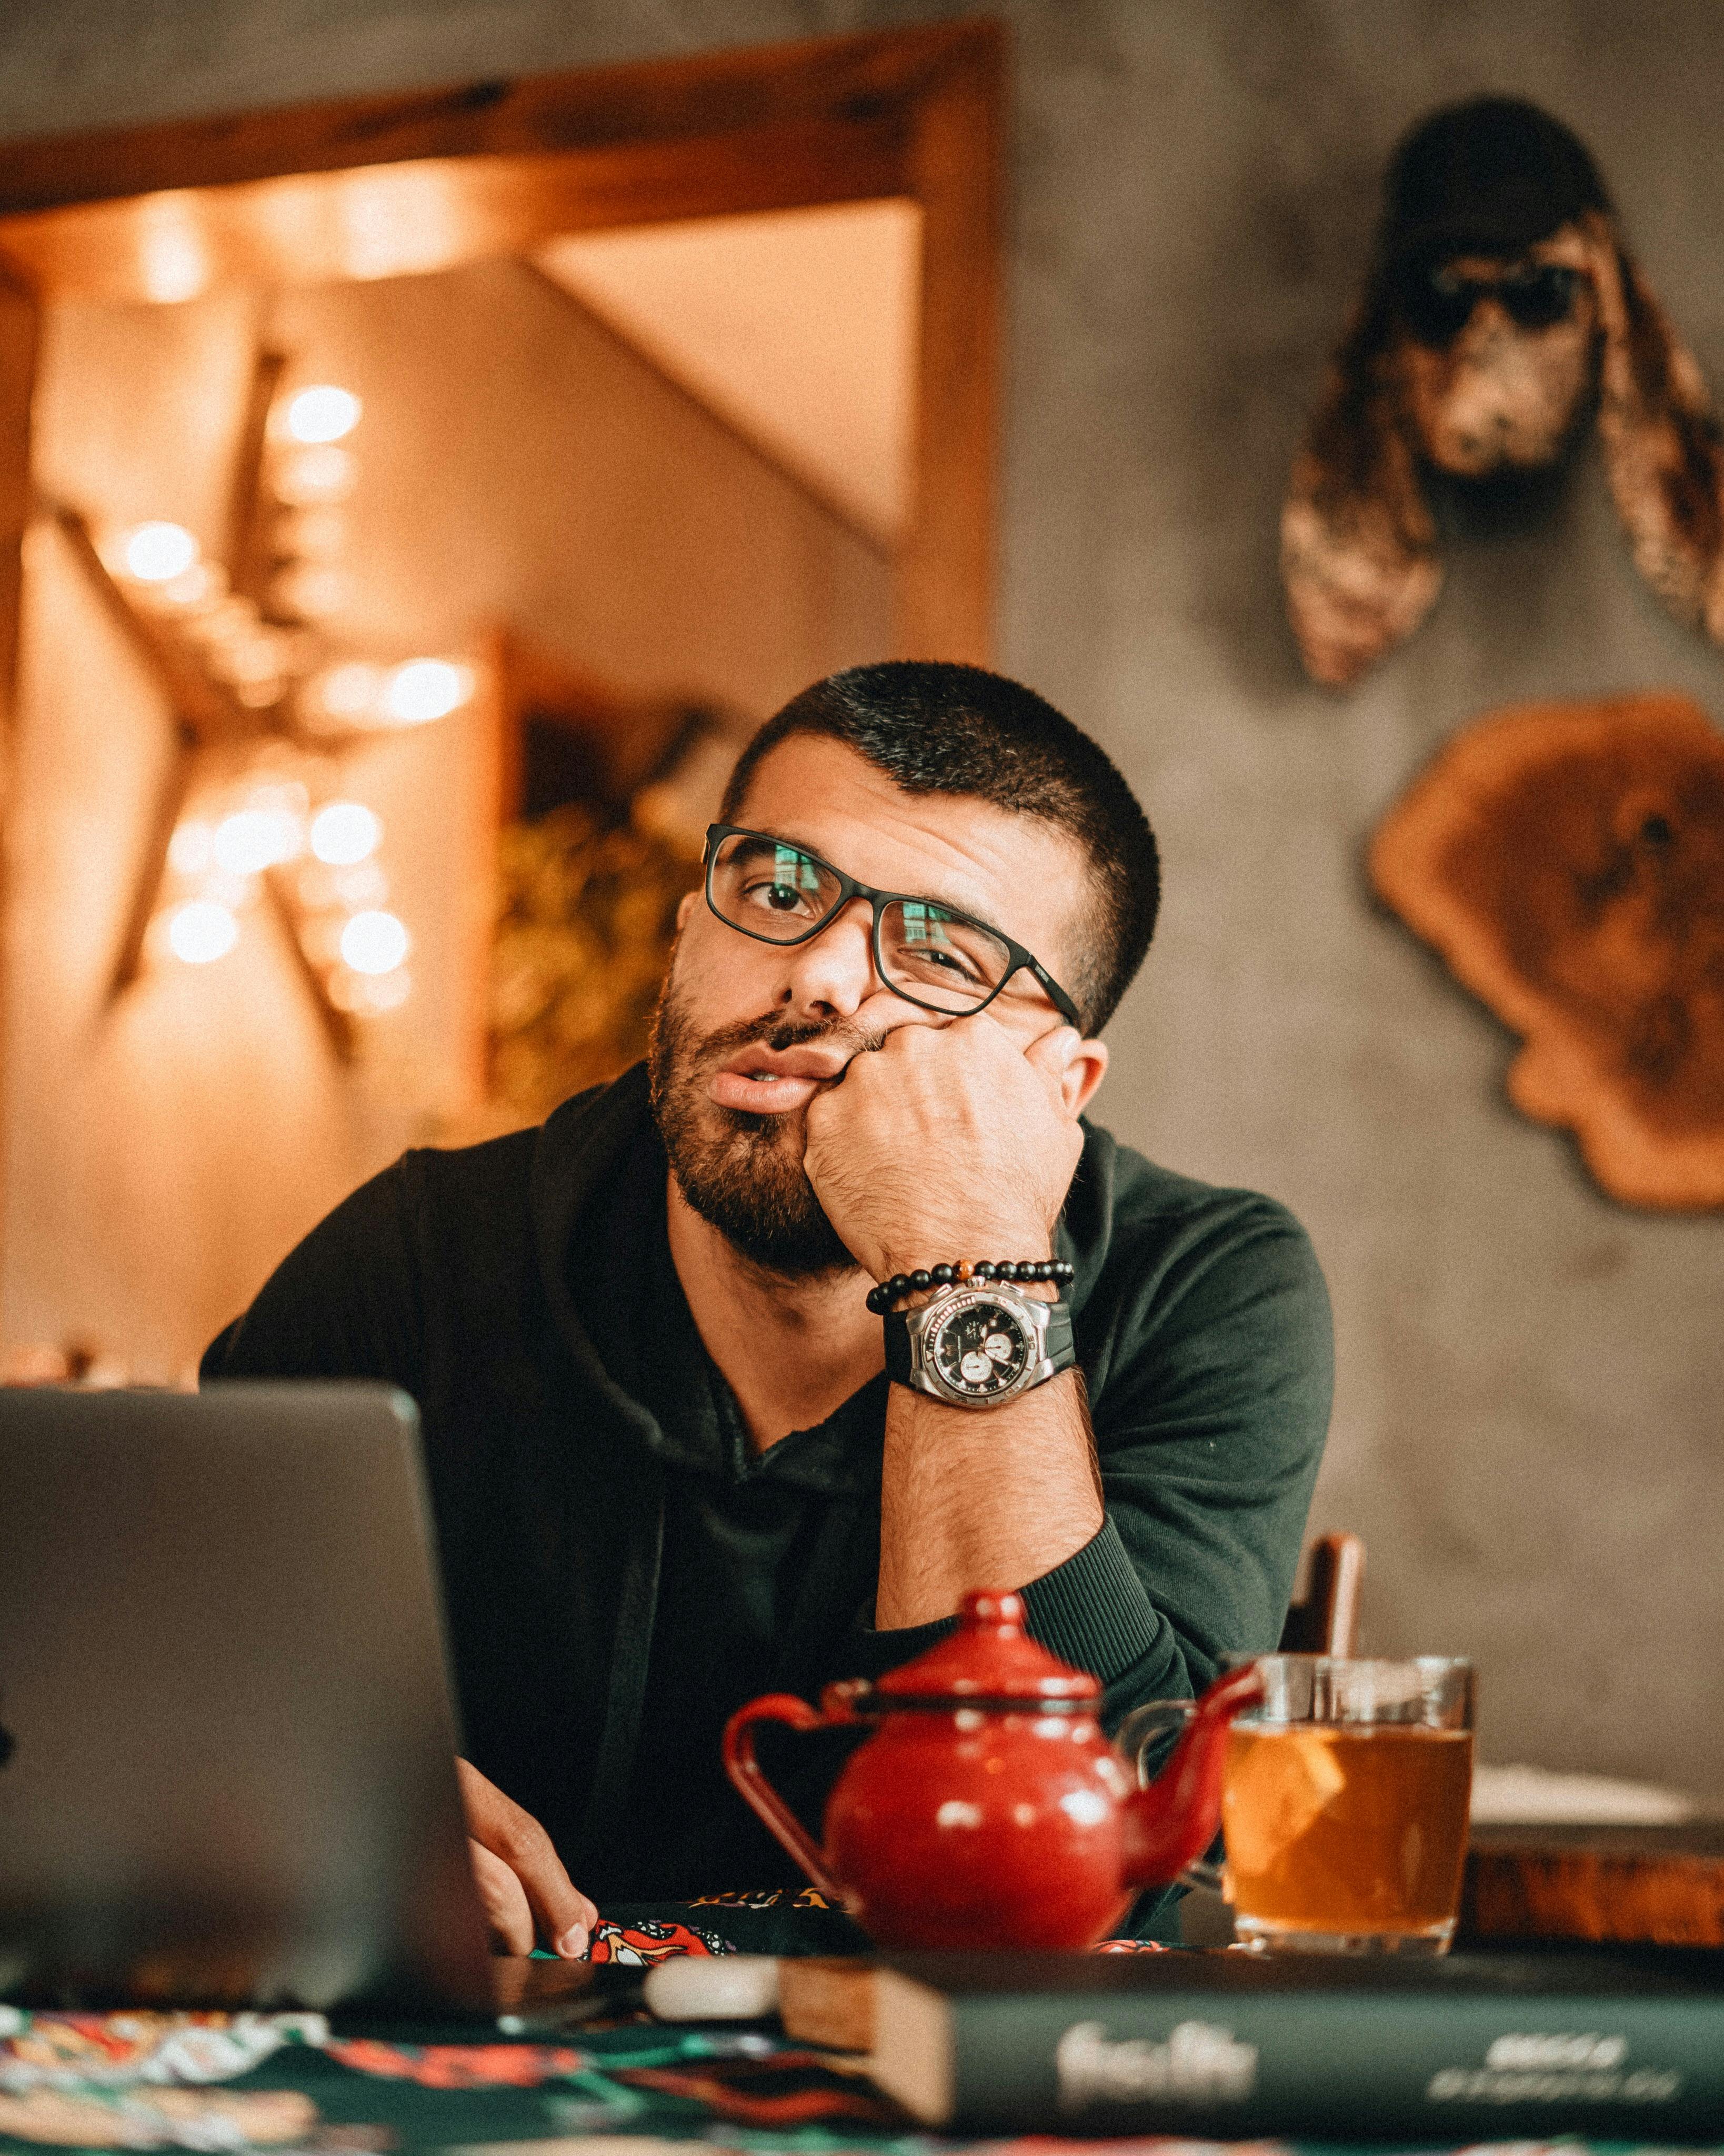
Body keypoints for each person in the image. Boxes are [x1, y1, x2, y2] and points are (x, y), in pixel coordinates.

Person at [203, 661, 1332, 1954]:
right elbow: (166, 1684)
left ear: (1056, 1084)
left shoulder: (1205, 1285)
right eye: (779, 889)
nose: (825, 977)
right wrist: (330, 1803)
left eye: (942, 950)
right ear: (693, 927)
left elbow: (1118, 1871)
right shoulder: (418, 1258)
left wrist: (966, 1258)